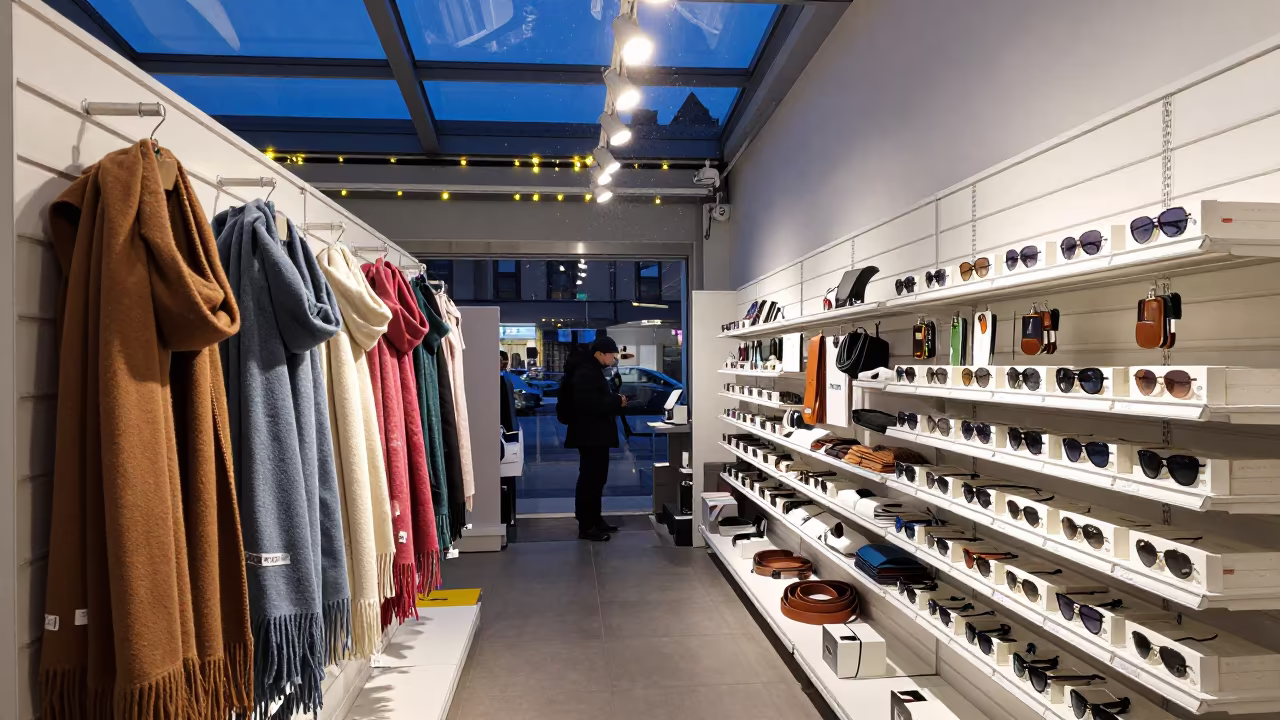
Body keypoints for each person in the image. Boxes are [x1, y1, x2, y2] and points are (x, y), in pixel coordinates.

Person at [562, 336, 628, 541]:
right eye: (612, 355)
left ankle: (595, 519)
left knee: (597, 478)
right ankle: (586, 525)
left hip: (593, 433)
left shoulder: (590, 370)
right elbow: (591, 403)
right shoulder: (586, 372)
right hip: (590, 434)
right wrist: (617, 400)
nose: (613, 359)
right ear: (600, 354)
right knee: (591, 479)